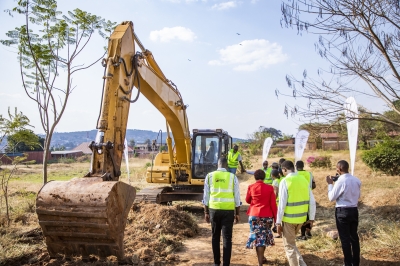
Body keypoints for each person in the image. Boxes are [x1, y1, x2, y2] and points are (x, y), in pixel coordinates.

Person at [276, 160, 316, 266]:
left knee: (289, 247)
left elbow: (282, 204)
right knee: (292, 244)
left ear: (284, 169)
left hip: (289, 220)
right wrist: (311, 218)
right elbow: (312, 201)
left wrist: (278, 222)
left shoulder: (285, 181)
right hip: (301, 219)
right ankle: (302, 264)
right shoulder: (303, 180)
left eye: (282, 170)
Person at [203, 157, 241, 266]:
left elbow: (206, 196)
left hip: (214, 210)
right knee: (227, 238)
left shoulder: (210, 176)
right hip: (228, 211)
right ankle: (226, 264)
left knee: (215, 236)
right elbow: (237, 197)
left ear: (217, 165)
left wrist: (206, 212)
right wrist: (237, 213)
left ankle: (216, 263)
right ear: (226, 165)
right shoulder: (232, 177)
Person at [326, 160, 361, 266]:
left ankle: (348, 263)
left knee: (345, 239)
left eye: (337, 168)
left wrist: (330, 185)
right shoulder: (356, 180)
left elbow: (331, 197)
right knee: (354, 237)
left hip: (342, 211)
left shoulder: (340, 181)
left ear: (340, 168)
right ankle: (356, 262)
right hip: (354, 210)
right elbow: (358, 196)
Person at [245, 169, 277, 266]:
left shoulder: (251, 187)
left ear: (255, 177)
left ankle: (261, 259)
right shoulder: (270, 188)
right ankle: (261, 259)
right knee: (263, 237)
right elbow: (273, 205)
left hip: (254, 216)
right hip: (267, 216)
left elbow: (247, 200)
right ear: (264, 177)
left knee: (257, 237)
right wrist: (276, 220)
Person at [295, 160, 316, 240]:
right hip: (309, 195)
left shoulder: (296, 175)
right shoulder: (309, 174)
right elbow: (314, 185)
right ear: (303, 166)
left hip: (299, 197)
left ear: (296, 166)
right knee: (309, 215)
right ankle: (308, 232)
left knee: (303, 216)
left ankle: (303, 235)